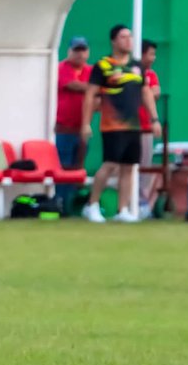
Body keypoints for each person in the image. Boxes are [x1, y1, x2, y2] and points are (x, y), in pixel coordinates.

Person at [80, 24, 162, 223]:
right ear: (114, 41)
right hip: (112, 125)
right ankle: (92, 205)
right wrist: (85, 123)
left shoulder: (137, 66)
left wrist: (154, 119)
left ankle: (122, 209)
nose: (128, 40)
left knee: (128, 167)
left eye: (130, 37)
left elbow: (146, 93)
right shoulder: (103, 66)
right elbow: (90, 95)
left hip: (134, 126)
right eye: (124, 37)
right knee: (109, 165)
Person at [55, 37, 92, 210]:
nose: (79, 54)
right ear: (69, 51)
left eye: (83, 50)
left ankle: (73, 204)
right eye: (76, 50)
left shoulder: (90, 71)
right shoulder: (62, 68)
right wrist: (93, 88)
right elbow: (72, 85)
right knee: (63, 166)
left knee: (78, 167)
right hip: (63, 129)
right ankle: (60, 202)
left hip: (82, 129)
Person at [137, 40, 162, 216]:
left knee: (145, 165)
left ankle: (141, 203)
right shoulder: (130, 73)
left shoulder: (151, 74)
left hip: (146, 128)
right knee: (123, 166)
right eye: (150, 54)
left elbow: (156, 92)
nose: (153, 58)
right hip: (128, 127)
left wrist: (144, 92)